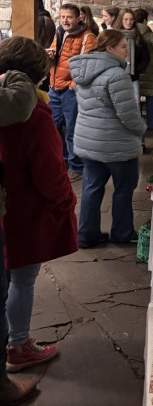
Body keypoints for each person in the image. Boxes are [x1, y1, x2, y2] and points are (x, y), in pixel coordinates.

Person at [0, 38, 77, 372]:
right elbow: (49, 170)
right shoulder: (33, 115)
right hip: (25, 209)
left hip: (6, 203)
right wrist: (66, 200)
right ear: (38, 76)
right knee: (22, 279)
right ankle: (18, 345)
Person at [70, 29, 146, 248]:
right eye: (123, 46)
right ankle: (122, 232)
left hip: (89, 140)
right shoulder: (116, 75)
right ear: (110, 48)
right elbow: (128, 114)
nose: (126, 51)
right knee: (123, 189)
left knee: (91, 188)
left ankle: (87, 235)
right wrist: (141, 129)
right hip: (116, 145)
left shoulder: (83, 71)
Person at [0, 68, 39, 406]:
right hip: (20, 207)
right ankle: (4, 380)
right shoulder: (30, 108)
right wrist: (15, 75)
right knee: (16, 281)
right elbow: (21, 101)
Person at [48, 2, 97, 182]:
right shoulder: (59, 32)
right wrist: (49, 57)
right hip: (54, 88)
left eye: (69, 17)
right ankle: (62, 162)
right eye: (62, 17)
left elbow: (90, 65)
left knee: (72, 130)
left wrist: (74, 83)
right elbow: (57, 57)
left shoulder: (88, 37)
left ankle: (76, 167)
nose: (65, 20)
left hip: (70, 91)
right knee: (52, 127)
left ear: (78, 18)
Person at [134, 8, 153, 131]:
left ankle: (137, 124)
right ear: (145, 20)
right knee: (151, 97)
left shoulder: (131, 33)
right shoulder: (150, 34)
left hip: (135, 71)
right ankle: (152, 123)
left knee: (135, 99)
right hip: (150, 71)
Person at [119, 8, 150, 106]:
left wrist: (135, 70)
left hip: (133, 78)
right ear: (121, 20)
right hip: (118, 78)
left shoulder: (139, 38)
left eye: (131, 19)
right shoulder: (116, 37)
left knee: (135, 104)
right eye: (126, 19)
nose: (129, 22)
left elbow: (145, 59)